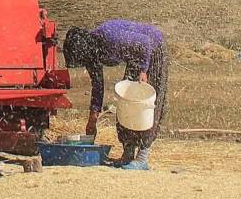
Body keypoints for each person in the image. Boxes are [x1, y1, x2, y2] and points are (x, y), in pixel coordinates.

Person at [62, 20, 169, 171]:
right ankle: (128, 154)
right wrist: (93, 119)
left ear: (84, 50)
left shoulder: (109, 37)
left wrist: (144, 70)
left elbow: (144, 43)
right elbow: (98, 86)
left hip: (153, 48)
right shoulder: (92, 54)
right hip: (136, 57)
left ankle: (142, 157)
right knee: (126, 103)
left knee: (145, 104)